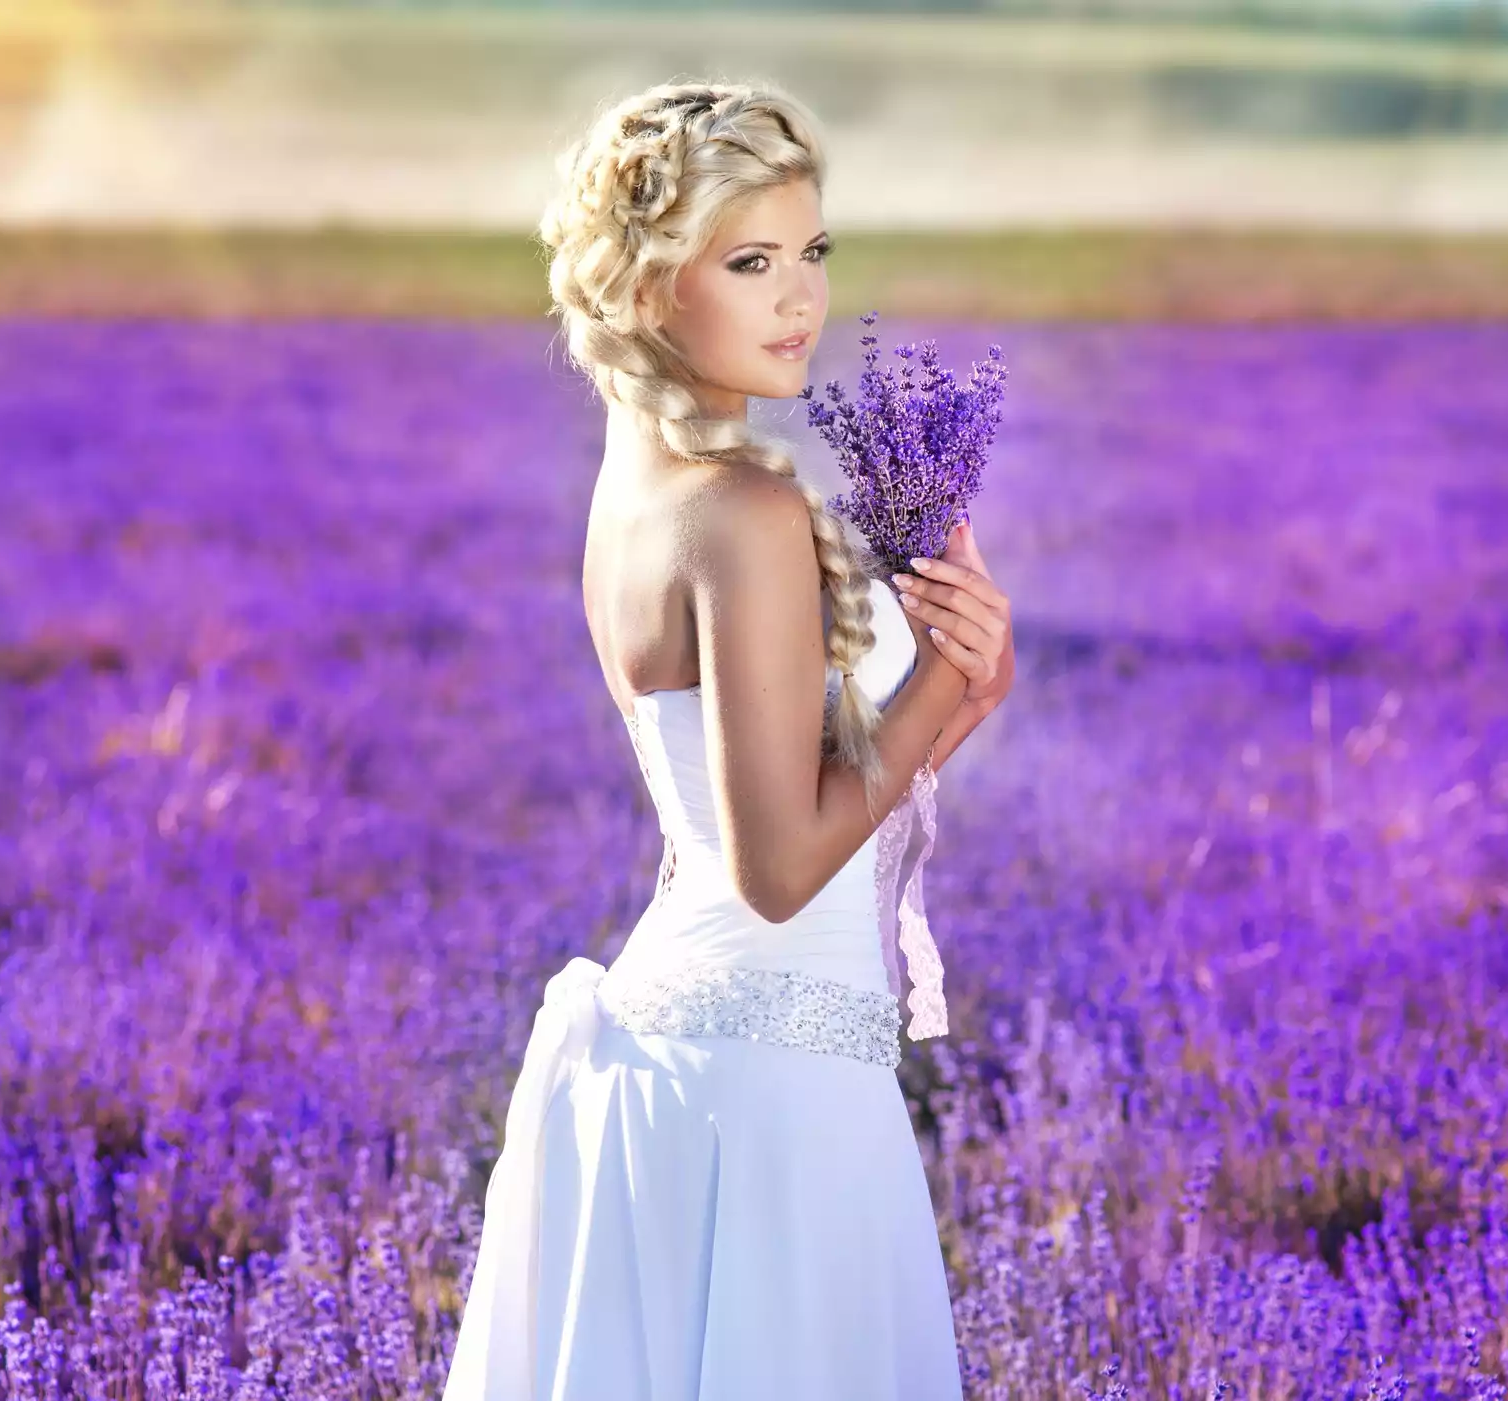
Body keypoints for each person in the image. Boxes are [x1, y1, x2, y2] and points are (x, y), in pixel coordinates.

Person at [442, 79, 1014, 1401]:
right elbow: (777, 868)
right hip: (768, 1094)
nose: (798, 299)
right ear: (647, 287)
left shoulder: (635, 491)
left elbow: (775, 801)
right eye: (749, 262)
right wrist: (938, 677)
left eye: (812, 254)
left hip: (693, 1052)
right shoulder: (743, 511)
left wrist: (955, 707)